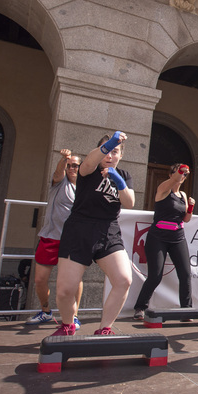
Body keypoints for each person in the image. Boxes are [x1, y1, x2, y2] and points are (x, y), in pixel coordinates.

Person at [51, 131, 136, 337]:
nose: (109, 155)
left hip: (108, 230)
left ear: (121, 155)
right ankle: (68, 324)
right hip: (79, 229)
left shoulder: (124, 175)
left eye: (115, 151)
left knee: (124, 279)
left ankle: (105, 328)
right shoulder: (87, 170)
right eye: (106, 150)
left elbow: (130, 202)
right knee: (65, 290)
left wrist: (119, 182)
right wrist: (110, 143)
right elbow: (90, 161)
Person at [131, 164, 195, 321]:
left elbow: (185, 219)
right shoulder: (163, 189)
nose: (182, 177)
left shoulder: (183, 195)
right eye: (180, 173)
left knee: (186, 274)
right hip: (158, 237)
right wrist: (180, 171)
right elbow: (173, 180)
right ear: (171, 173)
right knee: (155, 276)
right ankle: (140, 307)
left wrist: (191, 207)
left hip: (177, 237)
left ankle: (186, 310)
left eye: (185, 175)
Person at [27, 149, 83, 325]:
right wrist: (63, 159)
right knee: (40, 279)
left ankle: (74, 316)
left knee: (74, 280)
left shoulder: (84, 188)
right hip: (50, 238)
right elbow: (58, 172)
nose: (72, 168)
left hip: (72, 240)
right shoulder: (60, 182)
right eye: (69, 165)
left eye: (75, 165)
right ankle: (45, 311)